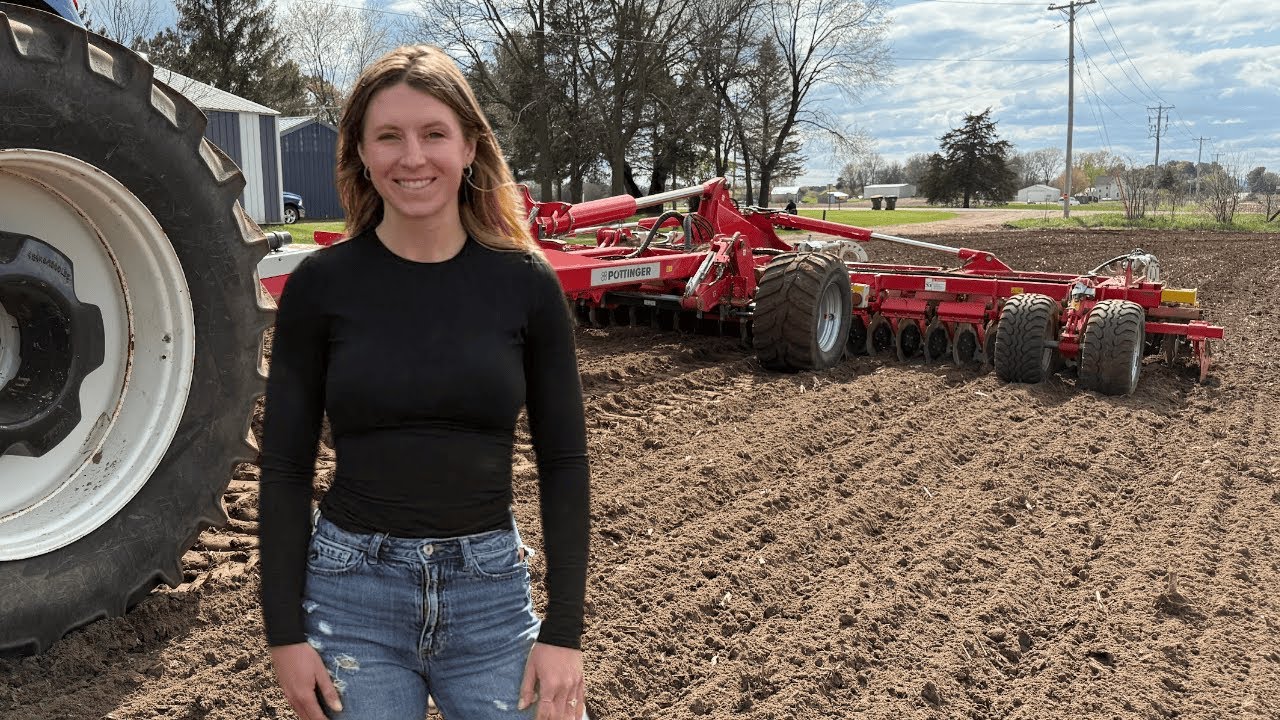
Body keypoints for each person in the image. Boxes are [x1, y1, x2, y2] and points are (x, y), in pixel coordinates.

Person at [257, 45, 590, 720]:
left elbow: (564, 460)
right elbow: (287, 466)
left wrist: (563, 633)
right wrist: (284, 635)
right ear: (361, 152)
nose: (412, 158)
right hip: (352, 600)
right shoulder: (321, 287)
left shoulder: (525, 284)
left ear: (469, 146)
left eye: (434, 133)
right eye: (389, 136)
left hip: (489, 597)